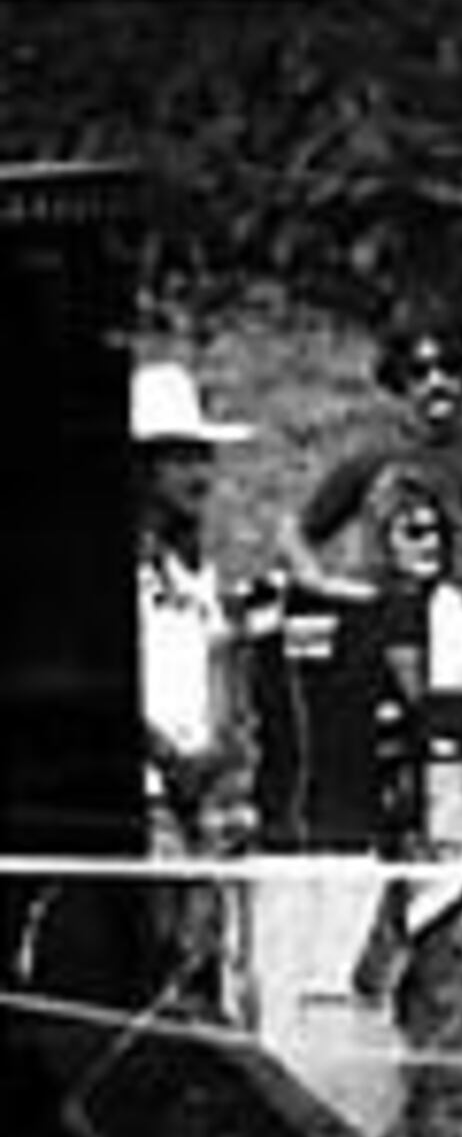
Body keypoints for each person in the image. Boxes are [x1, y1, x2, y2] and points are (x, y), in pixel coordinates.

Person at [290, 310, 462, 670]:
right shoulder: (377, 454)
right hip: (400, 640)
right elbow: (297, 531)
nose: (436, 382)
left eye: (450, 367)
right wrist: (323, 584)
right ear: (399, 380)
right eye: (419, 372)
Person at [134, 361, 251, 861]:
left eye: (202, 457)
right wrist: (166, 756)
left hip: (204, 795)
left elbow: (220, 661)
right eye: (180, 459)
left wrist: (217, 754)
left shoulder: (200, 567)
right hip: (148, 792)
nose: (199, 475)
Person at [339, 464, 462, 692]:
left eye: (440, 531)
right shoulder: (376, 613)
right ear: (385, 539)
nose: (432, 544)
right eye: (415, 532)